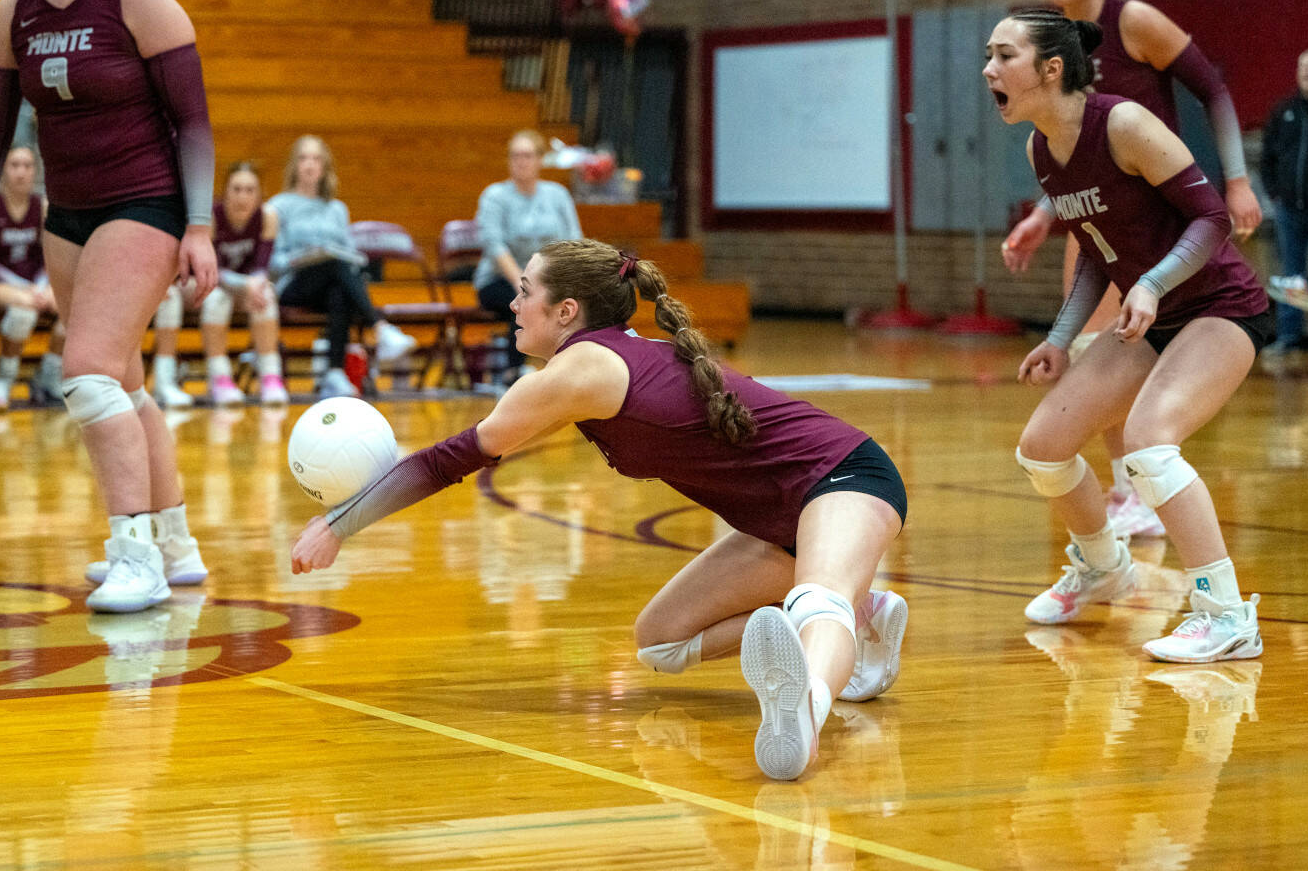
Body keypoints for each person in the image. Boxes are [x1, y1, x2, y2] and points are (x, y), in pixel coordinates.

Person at [290, 238, 911, 781]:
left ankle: (800, 715)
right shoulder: (602, 356)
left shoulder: (577, 369)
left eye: (524, 290)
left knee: (814, 601)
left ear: (566, 311)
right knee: (660, 644)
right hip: (777, 520)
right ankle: (857, 619)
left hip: (843, 475)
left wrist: (339, 525)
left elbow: (448, 460)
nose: (512, 302)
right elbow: (446, 458)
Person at [0, 0, 218, 613]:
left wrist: (199, 225)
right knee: (124, 385)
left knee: (88, 372)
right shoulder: (16, 13)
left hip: (147, 202)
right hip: (66, 214)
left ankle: (135, 555)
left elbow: (193, 122)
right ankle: (176, 544)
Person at [984, 8, 1271, 662]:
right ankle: (1103, 566)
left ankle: (1227, 617)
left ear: (1051, 69)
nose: (989, 69)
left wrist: (1152, 283)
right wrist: (1059, 337)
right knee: (1044, 446)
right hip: (1150, 315)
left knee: (1147, 442)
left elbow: (1212, 218)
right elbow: (1097, 247)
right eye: (990, 56)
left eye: (1004, 56)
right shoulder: (1042, 149)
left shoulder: (1124, 123)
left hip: (1218, 306)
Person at [1001, 0, 1265, 543]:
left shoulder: (1135, 22)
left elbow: (1213, 89)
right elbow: (1076, 163)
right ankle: (1126, 493)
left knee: (1132, 344)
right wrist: (1043, 216)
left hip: (1168, 210)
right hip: (1102, 218)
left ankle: (1141, 489)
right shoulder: (1052, 68)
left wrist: (1237, 179)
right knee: (1095, 355)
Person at [268, 134, 415, 398]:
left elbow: (350, 253)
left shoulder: (337, 209)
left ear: (324, 167)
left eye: (316, 159)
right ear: (294, 165)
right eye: (303, 158)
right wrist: (305, 257)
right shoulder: (278, 207)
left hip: (330, 285)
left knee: (340, 286)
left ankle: (335, 373)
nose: (310, 165)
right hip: (293, 284)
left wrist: (334, 257)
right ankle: (381, 329)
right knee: (336, 267)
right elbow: (273, 263)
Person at [149, 161, 288, 407]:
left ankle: (270, 377)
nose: (242, 196)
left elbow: (262, 266)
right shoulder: (210, 216)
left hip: (239, 289)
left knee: (266, 294)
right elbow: (210, 269)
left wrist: (256, 283)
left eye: (249, 190)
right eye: (236, 189)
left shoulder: (268, 216)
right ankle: (218, 378)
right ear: (225, 191)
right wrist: (247, 284)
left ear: (259, 193)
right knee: (215, 298)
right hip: (198, 284)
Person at [472, 129, 583, 384]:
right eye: (515, 155)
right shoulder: (494, 196)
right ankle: (514, 373)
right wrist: (525, 284)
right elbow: (494, 246)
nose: (521, 161)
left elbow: (574, 241)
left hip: (550, 278)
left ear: (540, 159)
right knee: (524, 299)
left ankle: (571, 369)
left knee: (575, 301)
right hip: (499, 279)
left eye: (527, 155)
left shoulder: (557, 195)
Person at [0, 145, 66, 404]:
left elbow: (51, 257)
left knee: (72, 309)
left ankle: (49, 376)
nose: (21, 172)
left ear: (36, 171)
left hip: (36, 284)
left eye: (27, 166)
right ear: (3, 170)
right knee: (23, 311)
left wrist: (41, 287)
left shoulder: (42, 206)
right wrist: (26, 288)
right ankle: (5, 378)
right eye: (14, 165)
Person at [1258, 48, 1308, 356]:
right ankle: (1289, 336)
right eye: (1306, 68)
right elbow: (1267, 156)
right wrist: (1275, 191)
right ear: (1297, 72)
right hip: (1288, 209)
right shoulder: (1283, 112)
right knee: (1292, 274)